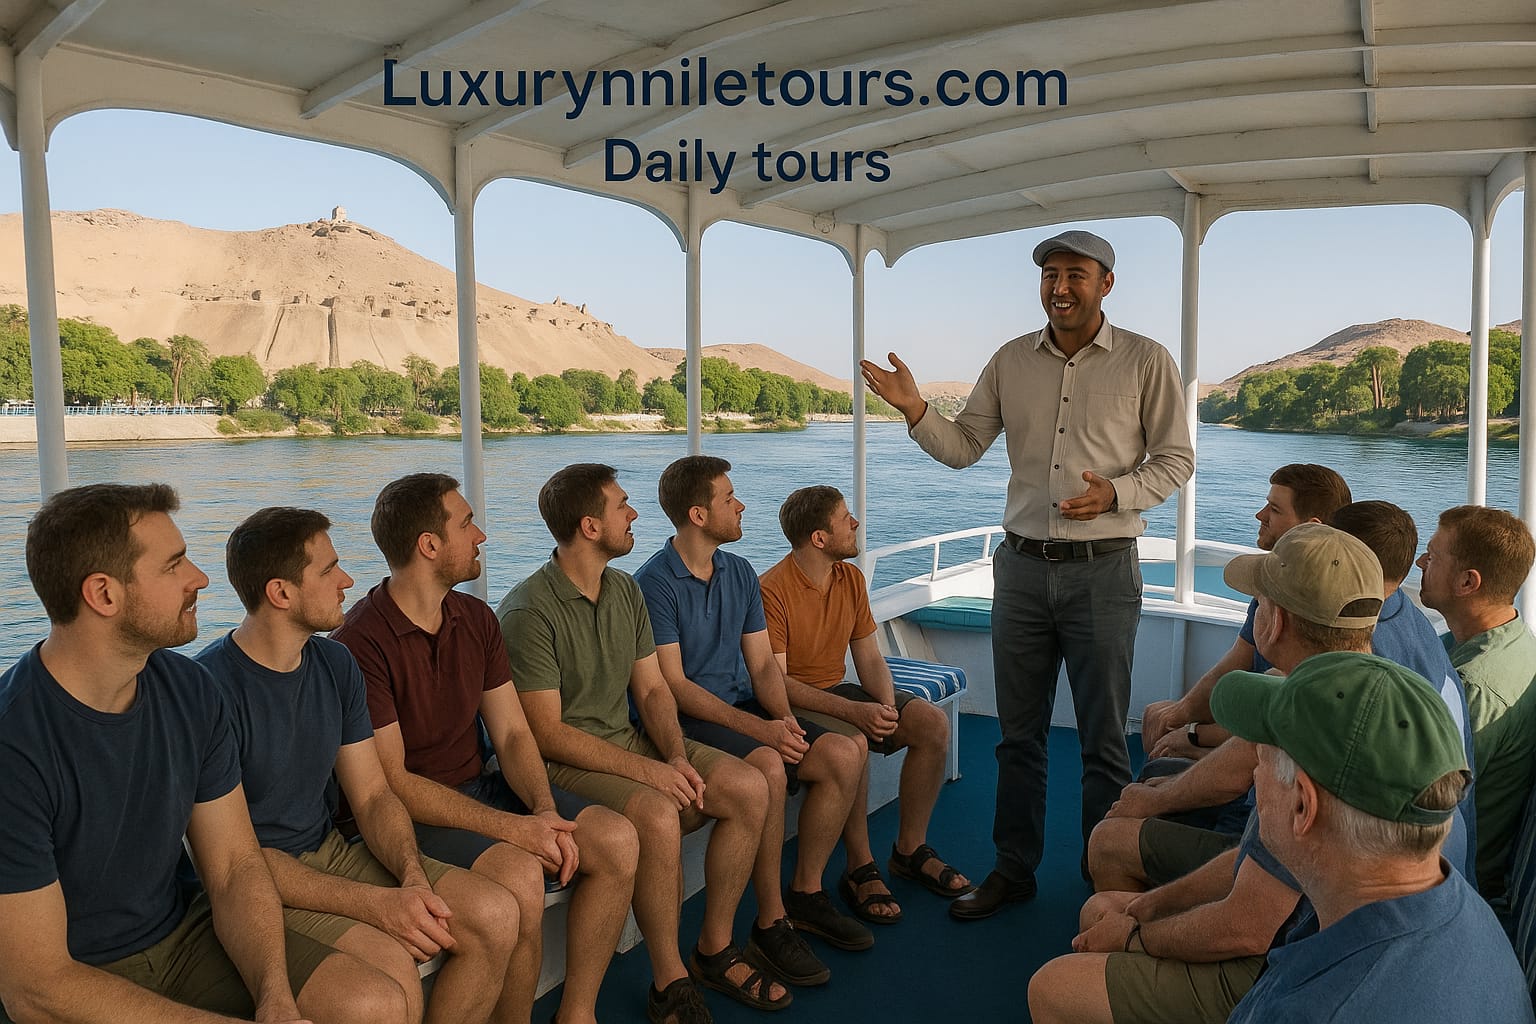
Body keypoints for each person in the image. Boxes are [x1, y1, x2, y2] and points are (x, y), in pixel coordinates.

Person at [860, 228, 1194, 918]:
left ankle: (1106, 876)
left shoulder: (1145, 361)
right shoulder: (1012, 360)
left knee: (1104, 740)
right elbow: (964, 447)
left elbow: (1175, 459)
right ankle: (1014, 869)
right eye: (1049, 275)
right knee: (1019, 737)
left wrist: (1118, 495)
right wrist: (918, 411)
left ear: (1106, 283)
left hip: (1103, 571)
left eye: (1075, 274)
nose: (1060, 287)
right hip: (1018, 570)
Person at [0, 483, 402, 1024]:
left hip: (183, 934)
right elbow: (38, 986)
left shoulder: (190, 692)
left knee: (371, 1003)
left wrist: (275, 999)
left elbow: (235, 868)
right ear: (103, 594)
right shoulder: (15, 744)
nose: (201, 578)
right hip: (82, 971)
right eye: (174, 566)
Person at [1031, 524, 1382, 1024]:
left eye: (1258, 603)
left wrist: (1134, 934)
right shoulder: (1364, 698)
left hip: (1291, 966)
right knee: (1105, 909)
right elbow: (1258, 858)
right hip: (1312, 933)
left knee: (1054, 988)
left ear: (1276, 621)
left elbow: (1248, 929)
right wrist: (1148, 908)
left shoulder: (1311, 736)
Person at [199, 506, 530, 1024]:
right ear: (281, 594)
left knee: (495, 915)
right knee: (389, 980)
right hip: (263, 882)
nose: (347, 580)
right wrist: (376, 905)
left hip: (333, 852)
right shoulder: (209, 693)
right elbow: (234, 864)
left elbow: (374, 795)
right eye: (329, 570)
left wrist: (412, 878)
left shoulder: (335, 664)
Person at [333, 473, 639, 1024]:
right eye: (467, 524)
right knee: (522, 872)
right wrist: (517, 829)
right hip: (410, 812)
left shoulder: (475, 618)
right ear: (429, 546)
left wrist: (544, 810)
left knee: (615, 839)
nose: (482, 537)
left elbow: (515, 734)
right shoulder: (360, 642)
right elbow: (392, 783)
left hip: (480, 787)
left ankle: (578, 1014)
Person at [500, 463, 788, 1024]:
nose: (634, 515)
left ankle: (715, 948)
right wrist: (653, 774)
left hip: (629, 740)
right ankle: (669, 981)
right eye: (622, 506)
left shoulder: (624, 589)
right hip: (568, 760)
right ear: (589, 526)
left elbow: (654, 689)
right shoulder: (529, 609)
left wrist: (676, 755)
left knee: (750, 786)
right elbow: (547, 734)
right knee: (657, 814)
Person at [635, 456, 871, 978]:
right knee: (766, 765)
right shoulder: (655, 584)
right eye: (728, 498)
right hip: (691, 719)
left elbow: (762, 664)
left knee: (841, 752)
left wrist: (784, 721)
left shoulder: (739, 571)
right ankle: (771, 922)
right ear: (698, 515)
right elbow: (674, 686)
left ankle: (806, 892)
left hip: (743, 707)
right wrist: (761, 731)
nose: (740, 505)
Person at [1214, 653, 1533, 1023]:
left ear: (1303, 805)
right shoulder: (1464, 909)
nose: (1255, 772)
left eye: (1261, 758)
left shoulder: (1311, 1010)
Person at [758, 485, 972, 926]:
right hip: (795, 703)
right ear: (819, 538)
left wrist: (888, 707)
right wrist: (858, 714)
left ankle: (909, 851)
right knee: (853, 738)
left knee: (930, 725)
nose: (855, 522)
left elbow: (869, 658)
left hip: (838, 691)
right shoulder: (772, 590)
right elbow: (778, 683)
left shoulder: (849, 579)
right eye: (845, 517)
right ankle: (860, 865)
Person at [1141, 463, 1353, 757]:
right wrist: (1179, 713)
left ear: (1310, 528)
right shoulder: (1274, 581)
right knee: (1159, 719)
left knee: (1164, 768)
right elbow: (1238, 659)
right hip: (1261, 736)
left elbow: (1282, 725)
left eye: (1274, 510)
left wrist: (1192, 735)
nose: (1260, 516)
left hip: (1277, 752)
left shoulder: (1329, 609)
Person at [1417, 504, 1536, 899]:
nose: (1420, 562)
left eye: (1432, 556)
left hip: (1449, 881)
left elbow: (1420, 802)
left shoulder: (1477, 686)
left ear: (1468, 582)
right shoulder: (1498, 637)